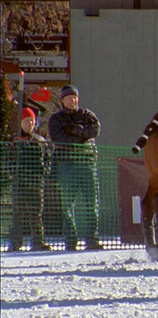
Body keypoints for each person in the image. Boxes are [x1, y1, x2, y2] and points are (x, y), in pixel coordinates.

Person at [48, 85, 103, 251]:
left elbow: (95, 130)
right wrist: (82, 138)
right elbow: (59, 138)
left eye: (75, 97)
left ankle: (92, 239)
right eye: (69, 98)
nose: (73, 100)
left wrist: (77, 132)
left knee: (91, 204)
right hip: (67, 166)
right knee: (67, 205)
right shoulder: (56, 120)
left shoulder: (87, 115)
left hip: (87, 165)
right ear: (63, 100)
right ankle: (71, 239)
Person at [7, 107, 52, 252]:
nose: (30, 124)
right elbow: (8, 160)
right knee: (18, 214)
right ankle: (15, 243)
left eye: (32, 121)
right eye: (27, 121)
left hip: (36, 183)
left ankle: (38, 242)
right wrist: (14, 173)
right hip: (20, 183)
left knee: (36, 214)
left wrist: (44, 172)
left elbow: (47, 159)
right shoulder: (14, 141)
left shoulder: (40, 141)